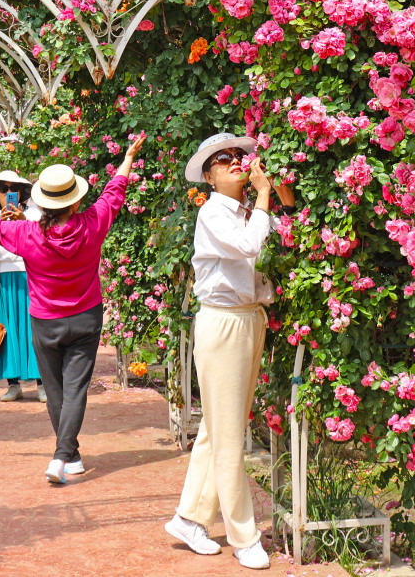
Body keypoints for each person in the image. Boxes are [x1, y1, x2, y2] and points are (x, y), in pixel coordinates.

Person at [0, 134, 146, 484]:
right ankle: (67, 456)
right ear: (75, 201)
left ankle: (66, 456)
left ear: (43, 203)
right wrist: (127, 158)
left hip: (45, 321)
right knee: (75, 388)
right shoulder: (94, 222)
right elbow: (114, 192)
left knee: (55, 389)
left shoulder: (27, 233)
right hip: (85, 318)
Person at [166, 133, 296, 571]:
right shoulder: (212, 213)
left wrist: (276, 196)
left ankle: (190, 518)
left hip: (248, 319)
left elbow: (282, 242)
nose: (236, 161)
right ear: (208, 176)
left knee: (220, 427)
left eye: (240, 154)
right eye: (223, 159)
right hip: (223, 322)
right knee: (227, 437)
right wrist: (263, 195)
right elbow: (248, 247)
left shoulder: (247, 211)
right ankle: (244, 537)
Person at [0, 170, 45, 403]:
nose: (9, 193)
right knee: (3, 331)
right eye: (3, 189)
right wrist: (0, 225)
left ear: (21, 192)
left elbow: (41, 240)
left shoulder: (34, 215)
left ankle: (42, 384)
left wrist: (21, 221)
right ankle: (13, 384)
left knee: (33, 331)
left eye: (14, 189)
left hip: (28, 276)